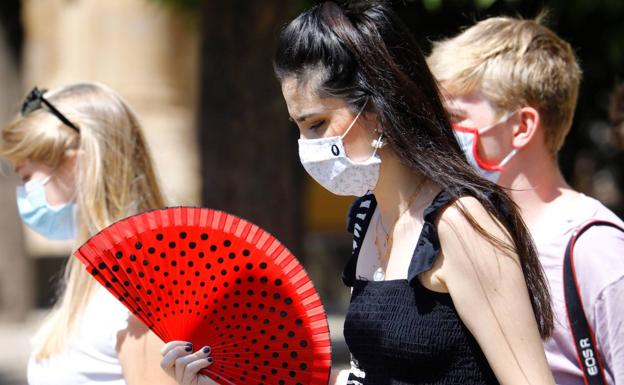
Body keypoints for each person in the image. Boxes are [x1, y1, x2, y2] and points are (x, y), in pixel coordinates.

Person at [161, 2, 557, 384]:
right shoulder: (367, 217)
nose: (305, 144)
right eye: (297, 127)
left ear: (378, 109)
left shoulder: (462, 223)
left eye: (317, 124)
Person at [428, 16, 624, 385]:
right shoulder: (461, 234)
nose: (441, 135)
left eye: (454, 118)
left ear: (521, 127)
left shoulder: (596, 251)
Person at [0, 83, 182, 385]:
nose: (24, 193)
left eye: (27, 176)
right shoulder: (92, 275)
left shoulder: (137, 284)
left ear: (77, 163)